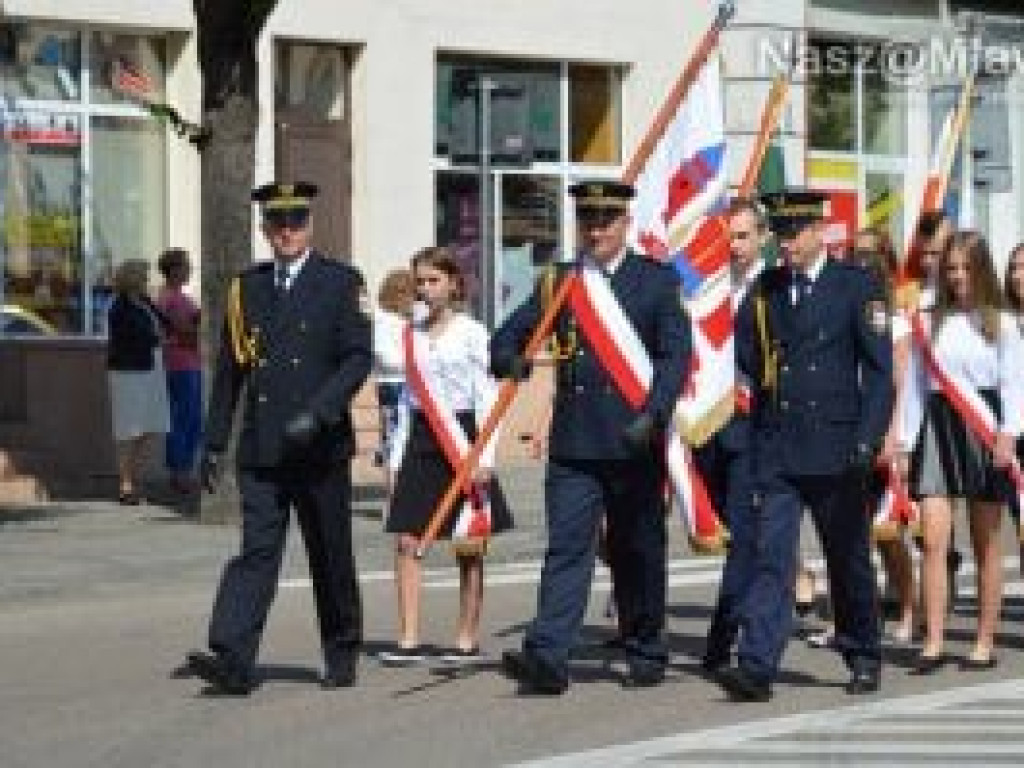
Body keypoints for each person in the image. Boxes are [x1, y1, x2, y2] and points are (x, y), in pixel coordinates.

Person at [492, 180, 692, 694]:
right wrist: (506, 357)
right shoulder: (561, 281)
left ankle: (645, 645)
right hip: (576, 443)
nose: (596, 229)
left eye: (605, 219)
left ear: (626, 223)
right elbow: (511, 331)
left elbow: (674, 357)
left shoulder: (656, 282)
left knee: (637, 549)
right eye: (587, 220)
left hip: (633, 439)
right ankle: (549, 656)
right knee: (567, 548)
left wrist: (655, 412)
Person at [185, 181, 372, 695]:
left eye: (295, 222)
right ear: (265, 230)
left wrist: (321, 411)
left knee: (329, 552)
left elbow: (357, 356)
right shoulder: (249, 287)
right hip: (264, 445)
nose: (286, 232)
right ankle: (234, 655)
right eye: (276, 223)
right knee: (257, 552)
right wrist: (215, 440)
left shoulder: (340, 283)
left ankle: (341, 650)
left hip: (318, 445)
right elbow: (230, 371)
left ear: (309, 225)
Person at [715, 190, 894, 702]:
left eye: (796, 232)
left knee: (847, 559)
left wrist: (867, 439)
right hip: (780, 446)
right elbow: (744, 353)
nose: (788, 243)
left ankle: (862, 652)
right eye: (782, 232)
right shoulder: (767, 290)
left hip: (839, 447)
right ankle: (756, 664)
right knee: (772, 558)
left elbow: (880, 375)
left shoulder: (856, 287)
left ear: (819, 232)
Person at [379, 246, 513, 665]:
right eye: (420, 281)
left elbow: (488, 397)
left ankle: (465, 638)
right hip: (421, 438)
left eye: (433, 281)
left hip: (464, 437)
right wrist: (395, 460)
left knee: (468, 545)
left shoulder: (473, 333)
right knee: (406, 540)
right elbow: (405, 400)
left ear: (453, 284)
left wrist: (486, 455)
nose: (425, 289)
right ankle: (408, 637)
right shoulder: (411, 334)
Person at [899, 232, 1024, 673]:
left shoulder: (1003, 324)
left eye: (966, 268)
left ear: (982, 271)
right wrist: (905, 443)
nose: (957, 277)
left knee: (985, 541)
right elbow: (915, 385)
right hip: (937, 426)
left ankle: (984, 641)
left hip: (984, 428)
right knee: (933, 539)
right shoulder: (929, 320)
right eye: (950, 268)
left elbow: (1013, 384)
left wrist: (1008, 435)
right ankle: (933, 641)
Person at [700, 197, 768, 671]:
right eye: (728, 237)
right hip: (706, 425)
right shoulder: (706, 289)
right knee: (727, 531)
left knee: (744, 533)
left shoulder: (771, 288)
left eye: (743, 236)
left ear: (762, 237)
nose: (735, 246)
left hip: (752, 422)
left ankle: (727, 634)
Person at [106, 258, 171, 505]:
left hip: (151, 366)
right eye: (144, 277)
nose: (147, 280)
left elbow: (165, 324)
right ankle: (125, 484)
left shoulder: (144, 302)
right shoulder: (119, 307)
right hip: (128, 371)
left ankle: (131, 477)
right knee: (128, 428)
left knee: (150, 425)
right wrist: (154, 339)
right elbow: (124, 339)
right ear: (132, 279)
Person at [155, 248, 203, 493]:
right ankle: (180, 471)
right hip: (180, 363)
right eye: (186, 266)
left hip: (189, 362)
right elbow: (182, 332)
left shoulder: (178, 296)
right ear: (174, 270)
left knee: (190, 418)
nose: (190, 270)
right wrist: (200, 329)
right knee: (185, 418)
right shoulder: (170, 299)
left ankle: (183, 469)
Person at [373, 268, 415, 490]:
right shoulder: (384, 321)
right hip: (393, 383)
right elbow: (384, 355)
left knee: (407, 440)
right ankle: (393, 495)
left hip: (408, 383)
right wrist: (413, 363)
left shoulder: (406, 320)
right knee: (394, 439)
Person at [1004, 243, 1024, 566]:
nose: (1019, 275)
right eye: (1014, 267)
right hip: (1013, 430)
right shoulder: (1002, 320)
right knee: (1021, 511)